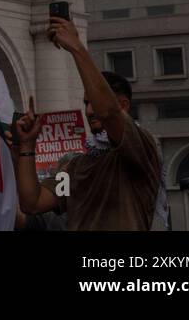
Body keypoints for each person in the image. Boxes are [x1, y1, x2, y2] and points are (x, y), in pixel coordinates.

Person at [9, 15, 162, 230]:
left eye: (94, 103)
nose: (90, 111)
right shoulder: (75, 166)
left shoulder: (140, 149)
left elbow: (108, 113)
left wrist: (76, 47)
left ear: (124, 106)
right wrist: (26, 147)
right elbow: (33, 203)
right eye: (86, 103)